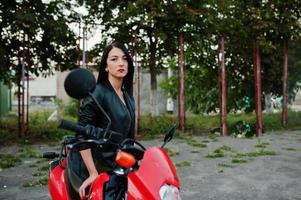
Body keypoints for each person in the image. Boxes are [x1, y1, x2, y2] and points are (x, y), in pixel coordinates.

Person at [76, 41, 135, 199]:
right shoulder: (98, 93)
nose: (121, 63)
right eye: (114, 59)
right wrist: (92, 172)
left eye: (124, 58)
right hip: (104, 167)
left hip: (123, 165)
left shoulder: (127, 96)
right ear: (106, 66)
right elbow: (82, 134)